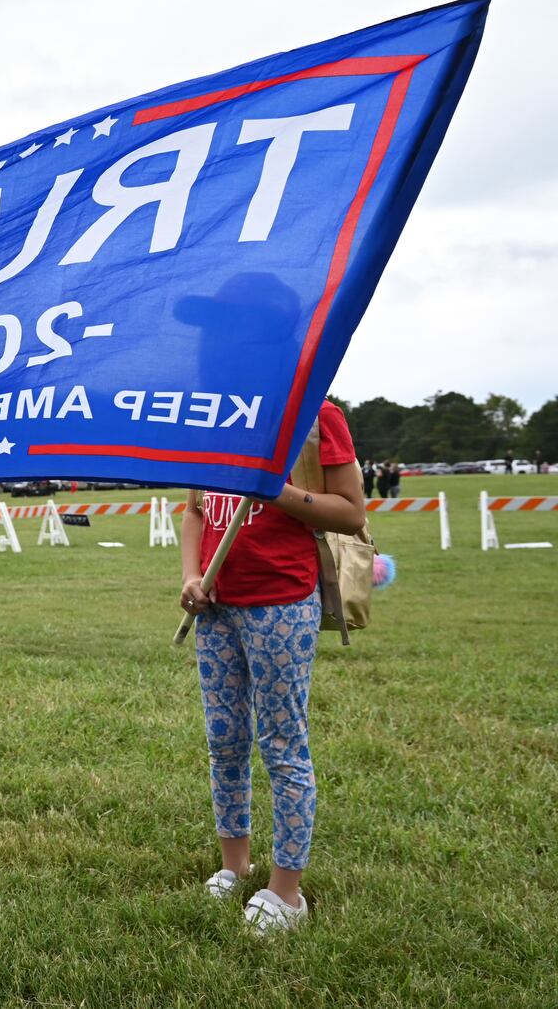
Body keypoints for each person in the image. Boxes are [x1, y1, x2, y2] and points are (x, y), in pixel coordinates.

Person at [178, 399, 366, 933]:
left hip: (281, 603)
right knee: (226, 740)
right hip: (216, 606)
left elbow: (351, 511)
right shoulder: (207, 416)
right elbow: (195, 510)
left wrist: (277, 491)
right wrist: (192, 575)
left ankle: (287, 889)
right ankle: (235, 864)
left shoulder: (314, 416)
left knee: (282, 743)